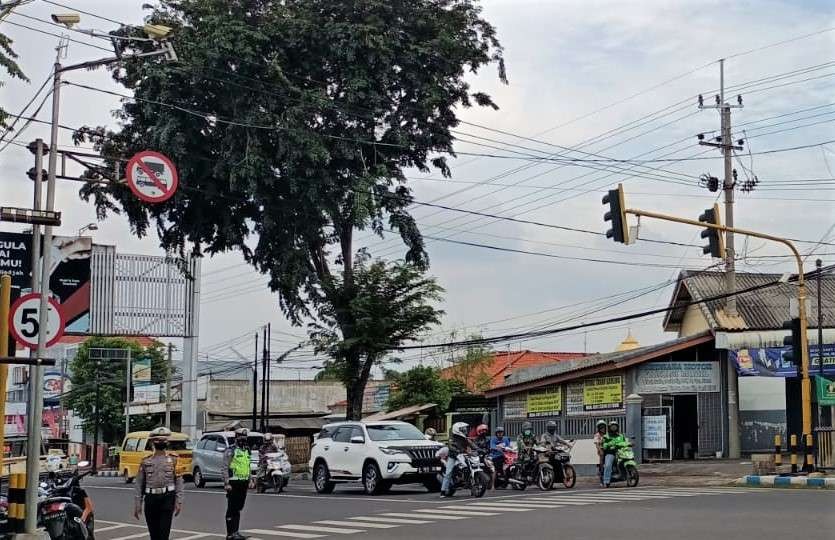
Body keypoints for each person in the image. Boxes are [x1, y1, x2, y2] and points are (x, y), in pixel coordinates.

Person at [134, 427, 183, 540]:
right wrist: (138, 504)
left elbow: (179, 481)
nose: (161, 442)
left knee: (164, 534)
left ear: (167, 442)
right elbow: (139, 483)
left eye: (163, 440)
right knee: (154, 534)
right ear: (152, 442)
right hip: (151, 499)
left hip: (167, 498)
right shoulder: (146, 460)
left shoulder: (174, 459)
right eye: (158, 440)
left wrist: (178, 501)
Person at [224, 428, 252, 540]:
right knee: (232, 508)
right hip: (233, 483)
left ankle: (236, 532)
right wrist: (226, 482)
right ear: (236, 437)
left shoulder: (246, 450)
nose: (243, 440)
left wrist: (250, 479)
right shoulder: (231, 450)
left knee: (239, 508)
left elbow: (248, 466)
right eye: (241, 437)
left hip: (243, 482)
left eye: (245, 438)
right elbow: (225, 467)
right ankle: (230, 534)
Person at [441, 422, 477, 498]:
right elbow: (451, 446)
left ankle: (472, 489)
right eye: (462, 429)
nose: (465, 430)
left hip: (463, 455)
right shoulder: (452, 438)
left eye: (464, 429)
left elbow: (473, 445)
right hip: (453, 456)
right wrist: (457, 450)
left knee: (470, 467)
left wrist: (479, 449)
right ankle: (443, 491)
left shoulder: (465, 438)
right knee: (448, 473)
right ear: (457, 430)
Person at [602, 421, 628, 487]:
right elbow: (604, 444)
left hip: (621, 452)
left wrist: (629, 444)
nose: (614, 428)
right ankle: (606, 480)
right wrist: (607, 445)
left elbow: (625, 442)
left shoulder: (621, 436)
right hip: (611, 453)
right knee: (608, 465)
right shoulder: (606, 436)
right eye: (612, 427)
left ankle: (626, 474)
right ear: (609, 428)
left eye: (615, 427)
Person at [593, 420, 607, 485]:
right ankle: (602, 476)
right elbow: (597, 444)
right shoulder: (597, 435)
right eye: (601, 427)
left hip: (609, 449)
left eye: (603, 427)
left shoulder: (607, 434)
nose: (603, 429)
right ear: (599, 428)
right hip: (602, 450)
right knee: (602, 463)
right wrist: (600, 450)